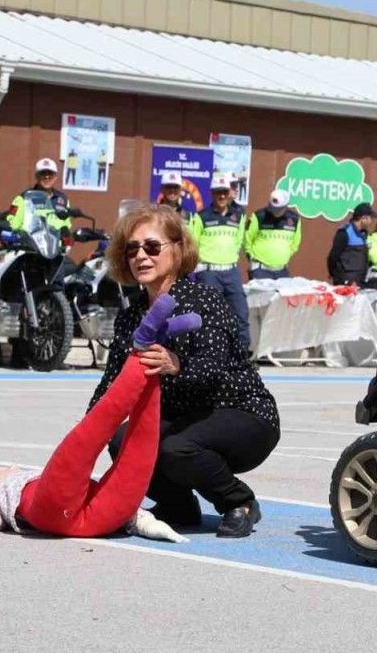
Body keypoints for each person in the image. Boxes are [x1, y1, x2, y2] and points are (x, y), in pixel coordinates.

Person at [94, 204, 280, 538]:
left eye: (152, 247)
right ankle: (177, 505)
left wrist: (176, 365)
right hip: (184, 419)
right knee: (121, 441)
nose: (141, 256)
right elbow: (111, 383)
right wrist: (86, 435)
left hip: (241, 411)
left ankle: (239, 501)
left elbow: (214, 368)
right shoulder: (130, 316)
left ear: (178, 250)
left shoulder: (205, 299)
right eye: (132, 249)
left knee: (175, 449)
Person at [0, 293, 197, 543]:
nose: (8, 468)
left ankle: (148, 348)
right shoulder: (2, 489)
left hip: (87, 517)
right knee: (92, 437)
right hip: (55, 510)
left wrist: (147, 522)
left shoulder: (25, 480)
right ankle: (143, 347)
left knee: (133, 451)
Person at [189, 175, 250, 349]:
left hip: (231, 272)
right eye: (218, 192)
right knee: (210, 315)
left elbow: (238, 241)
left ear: (229, 193)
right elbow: (193, 243)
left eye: (224, 192)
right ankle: (210, 351)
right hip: (208, 272)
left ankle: (241, 353)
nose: (222, 196)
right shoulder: (201, 216)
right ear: (212, 193)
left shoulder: (239, 215)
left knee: (241, 313)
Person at [244, 190, 301, 280]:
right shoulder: (259, 216)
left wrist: (283, 257)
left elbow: (295, 243)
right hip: (260, 269)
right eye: (272, 207)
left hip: (282, 271)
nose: (274, 211)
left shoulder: (294, 219)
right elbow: (247, 239)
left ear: (286, 206)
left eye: (278, 209)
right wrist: (252, 258)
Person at [8, 158, 72, 234]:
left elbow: (67, 225)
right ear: (36, 176)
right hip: (29, 241)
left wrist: (65, 232)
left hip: (55, 241)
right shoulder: (23, 198)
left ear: (55, 177)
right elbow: (12, 224)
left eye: (50, 174)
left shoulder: (63, 199)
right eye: (43, 173)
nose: (47, 177)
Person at [327, 202, 375, 286]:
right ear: (363, 218)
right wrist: (336, 276)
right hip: (345, 281)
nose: (371, 221)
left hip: (359, 281)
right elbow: (333, 257)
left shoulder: (364, 234)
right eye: (370, 218)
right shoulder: (345, 232)